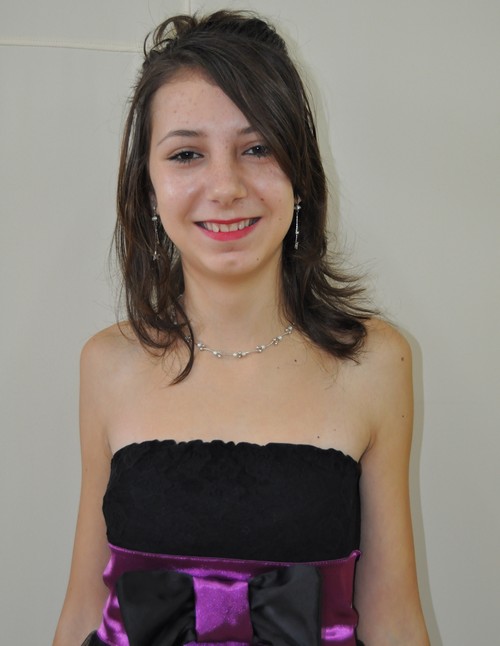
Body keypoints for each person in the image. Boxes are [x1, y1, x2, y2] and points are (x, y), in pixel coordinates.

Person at [54, 10, 429, 646]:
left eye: (257, 148)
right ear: (148, 187)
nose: (225, 186)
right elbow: (84, 607)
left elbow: (393, 618)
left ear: (300, 174)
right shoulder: (106, 363)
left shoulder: (374, 362)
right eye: (187, 154)